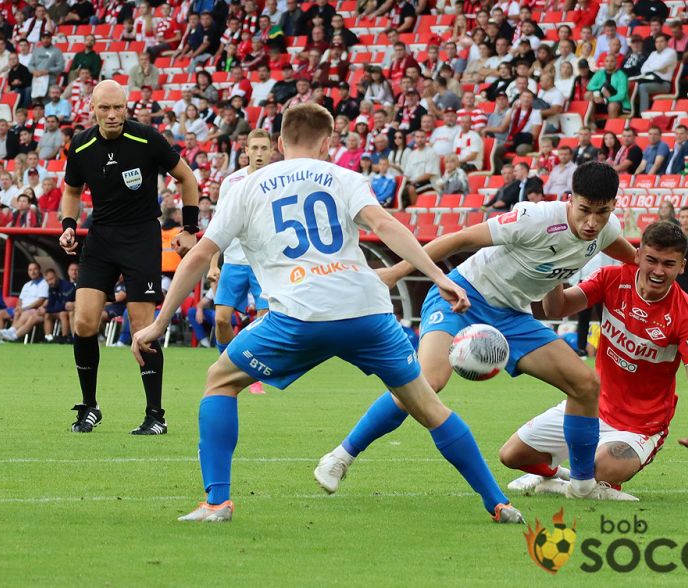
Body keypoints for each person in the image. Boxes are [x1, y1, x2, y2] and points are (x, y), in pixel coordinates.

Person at [131, 102, 524, 525]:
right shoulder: (345, 176)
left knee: (220, 381)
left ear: (279, 143)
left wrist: (158, 321)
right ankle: (497, 502)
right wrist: (436, 276)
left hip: (299, 316)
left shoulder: (246, 185)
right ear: (328, 142)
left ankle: (217, 502)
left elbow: (200, 255)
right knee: (429, 408)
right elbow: (386, 225)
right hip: (368, 313)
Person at [316, 162, 639, 502]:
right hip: (462, 296)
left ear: (613, 206)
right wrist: (396, 273)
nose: (591, 222)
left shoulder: (606, 229)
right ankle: (340, 456)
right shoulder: (535, 218)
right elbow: (459, 238)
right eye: (584, 210)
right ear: (569, 199)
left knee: (585, 384)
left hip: (512, 316)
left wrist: (649, 262)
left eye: (601, 213)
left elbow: (625, 251)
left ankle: (583, 486)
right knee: (426, 382)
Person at [504, 222, 688, 499]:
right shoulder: (612, 278)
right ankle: (561, 478)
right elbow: (558, 307)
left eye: (668, 263)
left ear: (682, 266)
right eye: (651, 260)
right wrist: (554, 272)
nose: (658, 271)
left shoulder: (686, 314)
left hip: (641, 426)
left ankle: (587, 481)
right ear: (638, 255)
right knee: (511, 455)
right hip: (590, 406)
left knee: (598, 467)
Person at [57, 80, 199, 435]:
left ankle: (155, 415)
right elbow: (72, 190)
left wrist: (189, 228)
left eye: (118, 107)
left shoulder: (146, 138)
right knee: (84, 323)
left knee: (142, 329)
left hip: (141, 237)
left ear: (127, 106)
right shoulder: (81, 144)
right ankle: (89, 407)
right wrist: (69, 224)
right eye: (105, 108)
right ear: (92, 108)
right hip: (101, 238)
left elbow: (187, 178)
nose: (112, 114)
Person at [206, 129, 272, 395]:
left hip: (264, 263)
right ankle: (228, 363)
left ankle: (252, 372)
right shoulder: (231, 182)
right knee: (222, 320)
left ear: (272, 150)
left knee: (264, 320)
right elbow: (218, 225)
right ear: (245, 151)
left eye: (263, 148)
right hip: (233, 260)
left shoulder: (279, 179)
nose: (258, 153)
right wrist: (213, 263)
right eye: (254, 148)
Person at [0, 261, 48, 342]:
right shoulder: (26, 285)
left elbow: (41, 300)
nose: (32, 272)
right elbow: (20, 299)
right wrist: (18, 307)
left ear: (39, 270)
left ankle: (10, 332)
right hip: (22, 308)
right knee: (0, 313)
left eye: (35, 269)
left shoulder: (44, 283)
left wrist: (24, 308)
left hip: (32, 309)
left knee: (24, 313)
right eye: (30, 270)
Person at [41, 267, 74, 343]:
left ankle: (65, 337)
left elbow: (65, 306)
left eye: (51, 279)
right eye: (47, 280)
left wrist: (47, 309)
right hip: (60, 310)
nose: (50, 282)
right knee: (47, 314)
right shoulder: (52, 288)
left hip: (72, 310)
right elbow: (50, 305)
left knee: (62, 314)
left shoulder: (67, 286)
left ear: (56, 276)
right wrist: (46, 310)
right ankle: (48, 338)